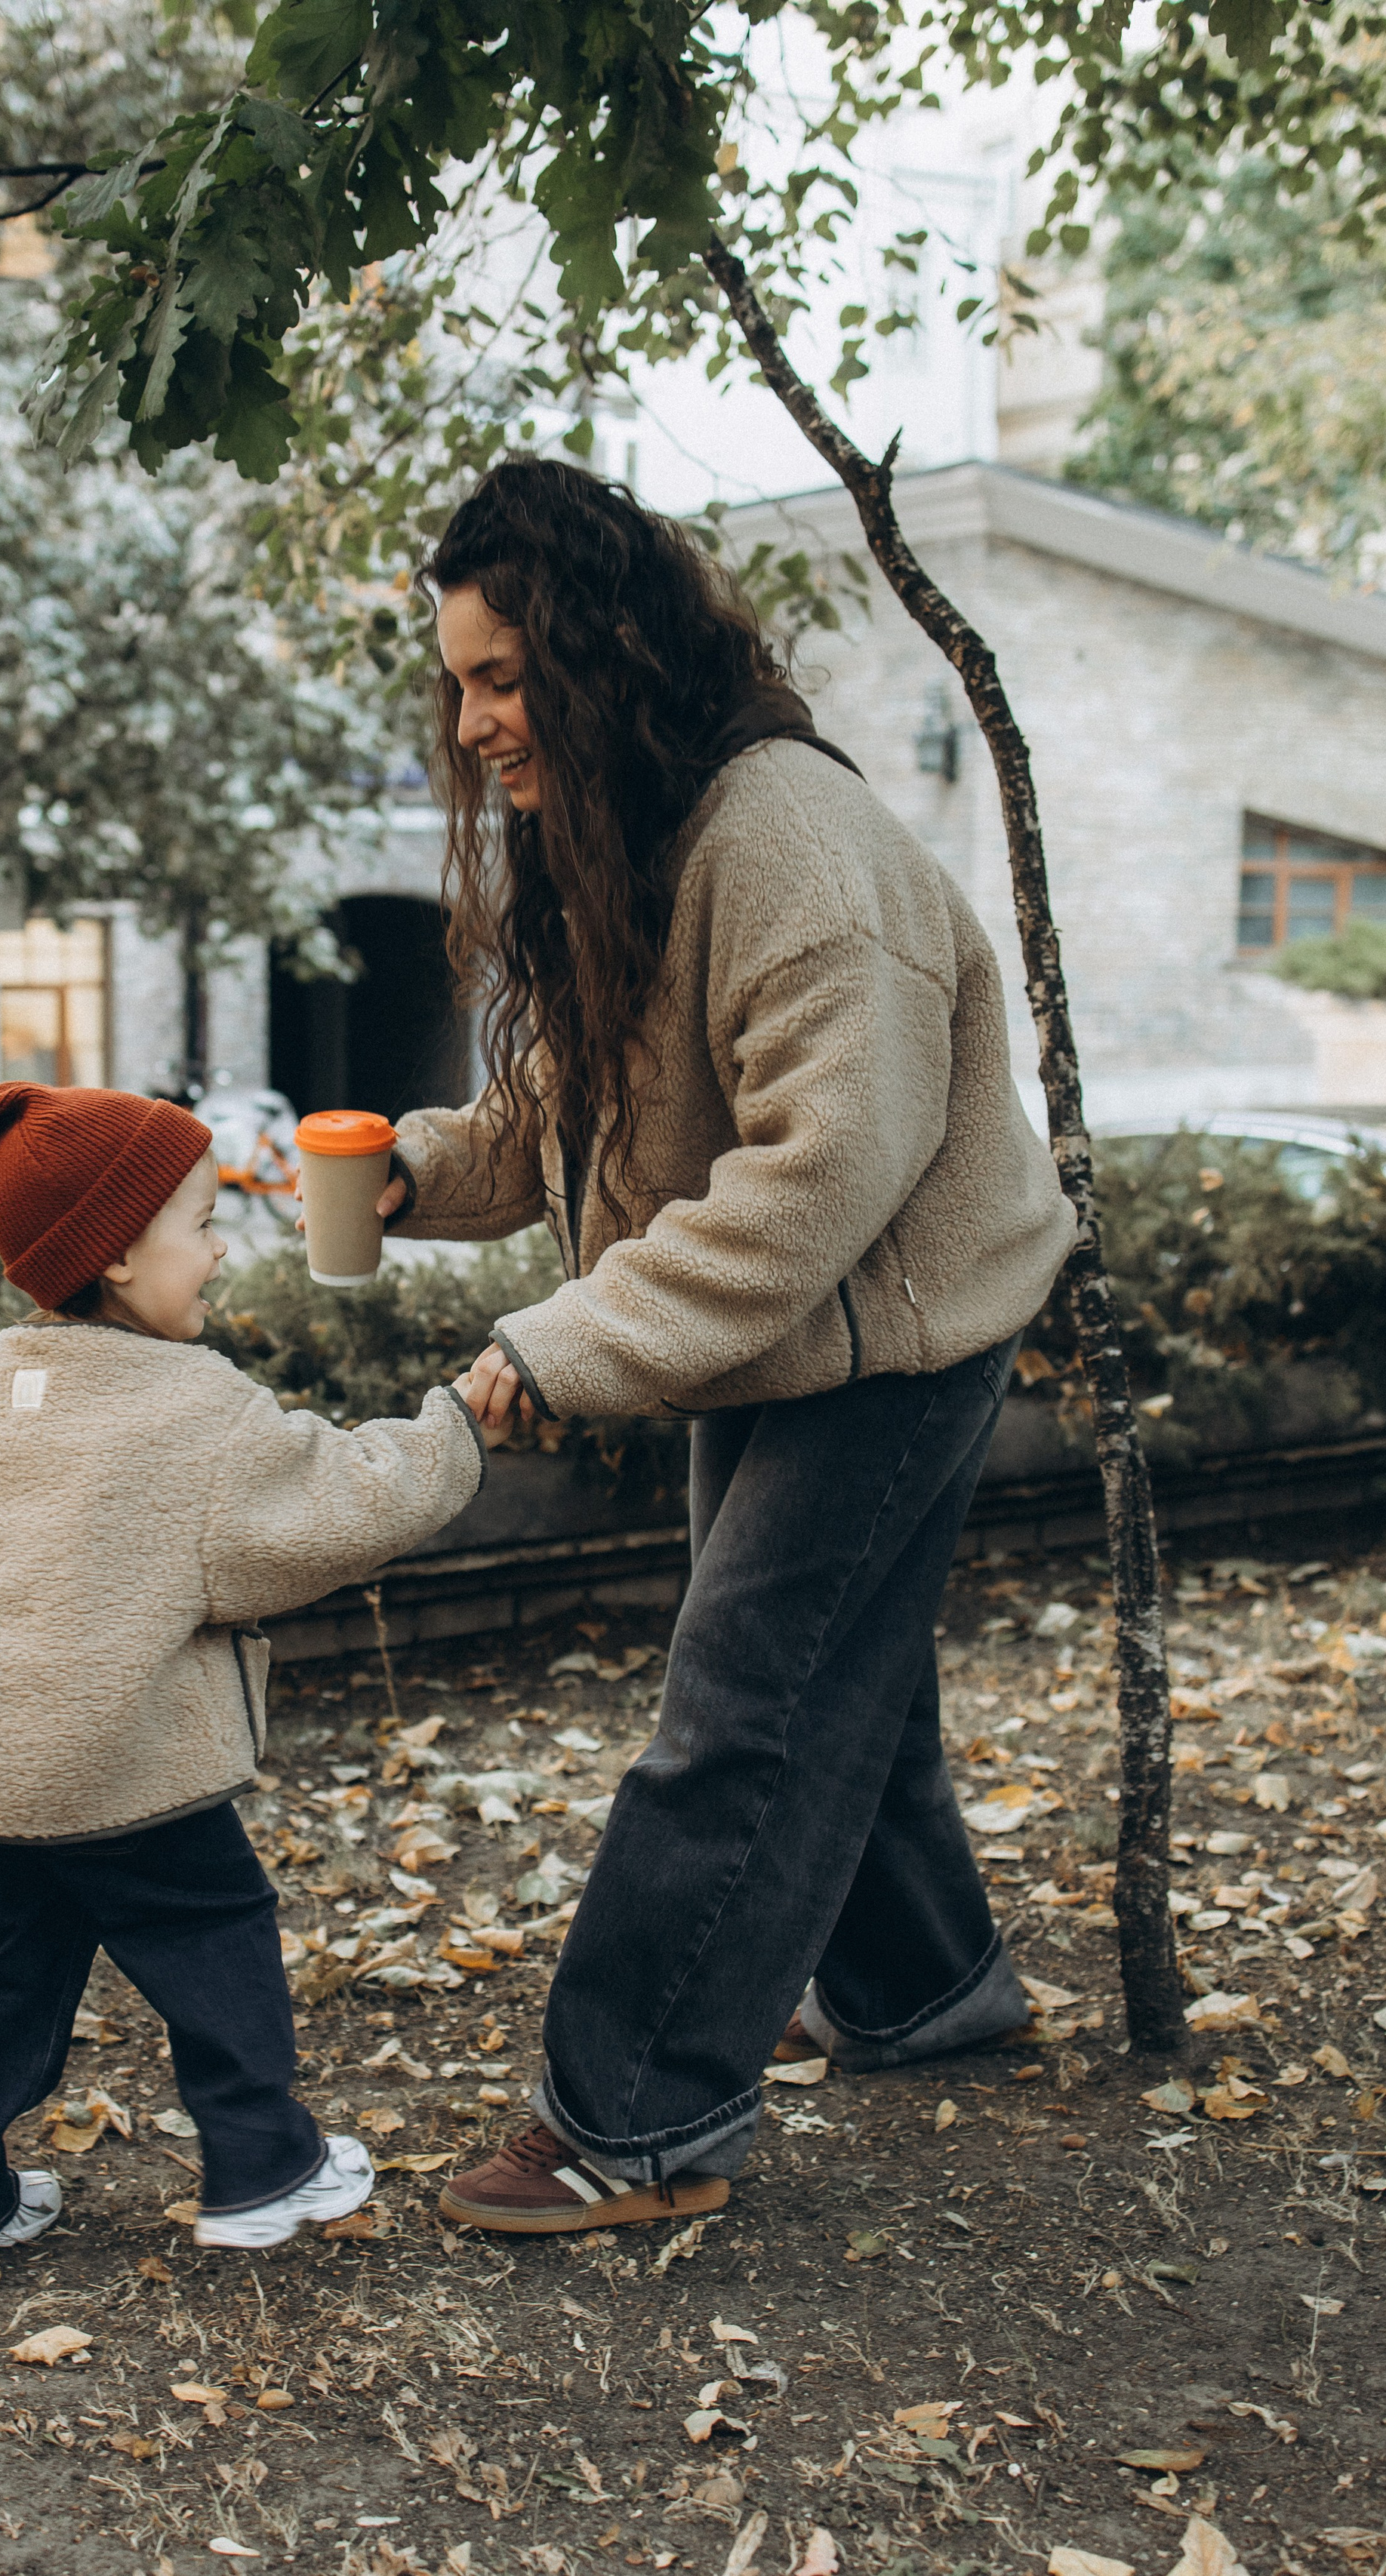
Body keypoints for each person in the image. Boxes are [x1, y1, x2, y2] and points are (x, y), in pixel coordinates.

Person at [376, 458, 1076, 2233]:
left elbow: (815, 1177)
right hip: (775, 1330)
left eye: (498, 679)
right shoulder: (642, 821)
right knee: (839, 1677)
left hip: (891, 1332)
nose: (471, 727)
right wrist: (402, 1172)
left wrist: (563, 1341)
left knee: (742, 1706)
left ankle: (639, 2111)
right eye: (456, 682)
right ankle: (927, 1994)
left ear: (600, 652)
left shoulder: (788, 846)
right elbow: (571, 1103)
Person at [0, 1080, 504, 2267]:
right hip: (121, 1762)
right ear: (113, 1256)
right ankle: (265, 2165)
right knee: (218, 1938)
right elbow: (339, 1504)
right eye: (202, 1224)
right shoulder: (192, 1408)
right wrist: (459, 1424)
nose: (221, 1251)